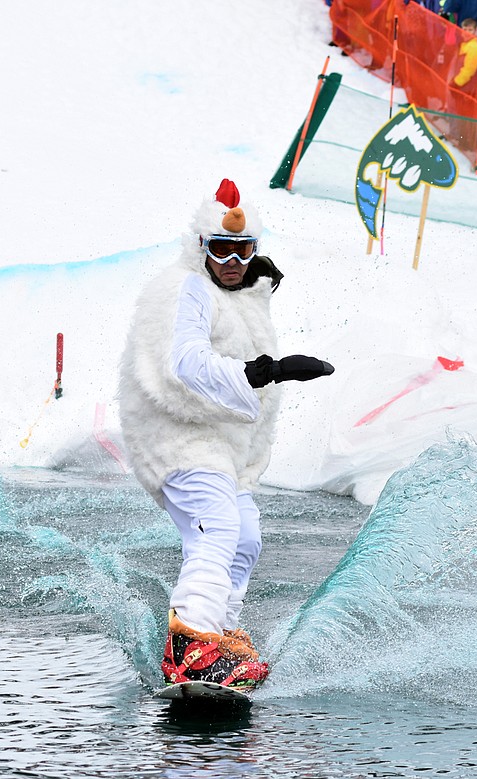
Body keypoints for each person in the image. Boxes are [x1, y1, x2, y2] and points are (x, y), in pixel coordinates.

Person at [119, 179, 334, 690]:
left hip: (220, 446)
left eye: (243, 249)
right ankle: (190, 641)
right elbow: (186, 363)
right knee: (217, 527)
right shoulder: (185, 288)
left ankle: (219, 633)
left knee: (245, 538)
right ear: (202, 247)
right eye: (221, 248)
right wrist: (267, 370)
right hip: (178, 437)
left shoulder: (238, 294)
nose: (234, 259)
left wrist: (267, 368)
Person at [454, 18, 477, 87]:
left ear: (475, 31)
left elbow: (469, 70)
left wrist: (456, 83)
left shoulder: (473, 47)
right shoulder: (464, 45)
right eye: (464, 29)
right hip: (461, 83)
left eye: (470, 30)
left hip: (465, 86)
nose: (467, 32)